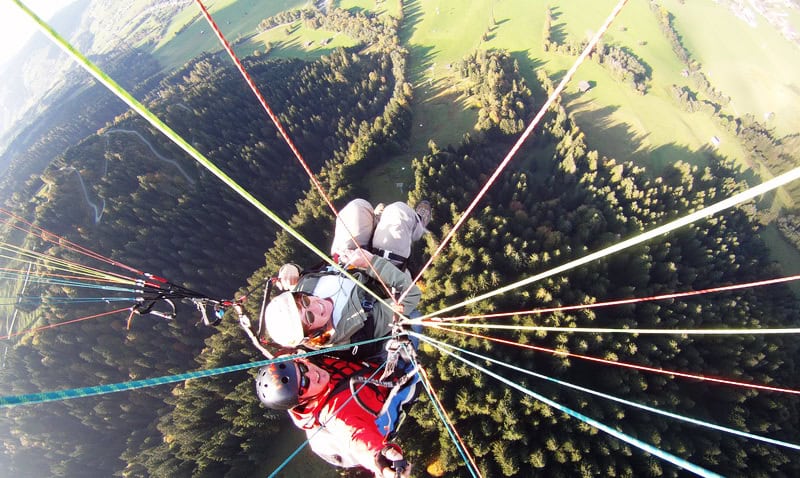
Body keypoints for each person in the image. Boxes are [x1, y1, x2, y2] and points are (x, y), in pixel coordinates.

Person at [255, 353, 417, 478]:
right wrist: (381, 458)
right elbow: (355, 435)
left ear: (300, 361)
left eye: (303, 370)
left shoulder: (314, 361)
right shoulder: (336, 413)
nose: (312, 375)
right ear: (302, 401)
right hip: (381, 405)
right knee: (416, 372)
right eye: (304, 385)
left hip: (377, 370)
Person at [263, 247, 420, 360]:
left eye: (304, 301)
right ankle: (417, 223)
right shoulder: (356, 330)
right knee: (398, 215)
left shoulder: (304, 288)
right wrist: (370, 262)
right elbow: (411, 295)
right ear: (313, 335)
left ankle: (375, 218)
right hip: (379, 269)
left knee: (357, 206)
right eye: (310, 317)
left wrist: (290, 269)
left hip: (350, 255)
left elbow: (304, 274)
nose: (316, 305)